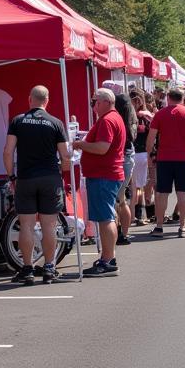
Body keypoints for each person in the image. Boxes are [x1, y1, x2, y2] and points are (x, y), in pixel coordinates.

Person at [2, 85, 70, 285]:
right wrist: (61, 172)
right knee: (49, 225)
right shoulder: (56, 123)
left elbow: (7, 152)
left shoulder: (18, 121)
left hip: (25, 178)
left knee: (27, 226)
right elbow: (65, 156)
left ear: (29, 99)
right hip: (50, 177)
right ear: (47, 101)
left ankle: (28, 268)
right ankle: (49, 268)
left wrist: (11, 177)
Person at [72, 88, 126, 276]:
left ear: (104, 102)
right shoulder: (112, 118)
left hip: (104, 175)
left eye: (95, 101)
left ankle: (108, 260)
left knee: (105, 218)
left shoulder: (108, 120)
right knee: (106, 216)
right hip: (106, 174)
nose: (93, 105)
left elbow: (103, 147)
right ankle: (107, 257)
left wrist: (80, 144)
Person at [146, 88, 185, 237]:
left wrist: (149, 154)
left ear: (168, 98)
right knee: (183, 193)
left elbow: (151, 138)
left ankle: (159, 227)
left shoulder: (160, 114)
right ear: (182, 98)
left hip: (164, 158)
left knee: (162, 193)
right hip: (184, 158)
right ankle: (182, 227)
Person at [114, 92, 138, 244]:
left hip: (121, 159)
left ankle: (119, 233)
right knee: (121, 200)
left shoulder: (117, 121)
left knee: (118, 200)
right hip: (129, 157)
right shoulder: (131, 119)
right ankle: (124, 233)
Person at [130, 92, 153, 225]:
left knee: (136, 187)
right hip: (141, 153)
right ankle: (138, 214)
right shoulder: (147, 116)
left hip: (136, 153)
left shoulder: (127, 115)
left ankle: (137, 214)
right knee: (138, 187)